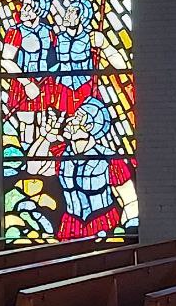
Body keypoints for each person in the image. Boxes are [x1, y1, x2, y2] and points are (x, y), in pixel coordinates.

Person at [30, 97, 137, 239]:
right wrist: (45, 138)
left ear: (90, 126)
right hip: (70, 226)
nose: (69, 121)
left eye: (77, 118)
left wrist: (129, 229)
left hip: (104, 225)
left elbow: (129, 200)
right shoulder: (61, 154)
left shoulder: (109, 159)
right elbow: (33, 168)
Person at [0, 0, 53, 144]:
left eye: (28, 6)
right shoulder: (15, 32)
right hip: (23, 83)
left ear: (39, 10)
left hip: (45, 83)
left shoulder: (48, 32)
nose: (23, 10)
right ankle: (27, 151)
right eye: (23, 5)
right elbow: (5, 60)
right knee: (27, 122)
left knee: (44, 122)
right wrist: (27, 83)